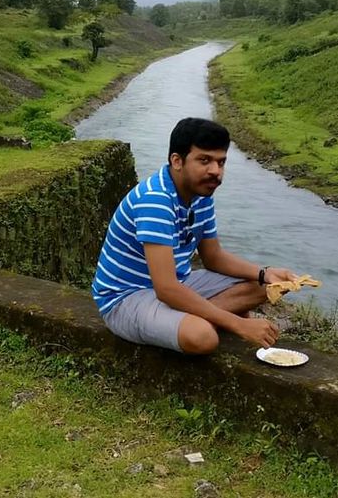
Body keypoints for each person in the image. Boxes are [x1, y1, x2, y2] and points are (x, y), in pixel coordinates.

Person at [91, 117, 300, 354]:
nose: (215, 171)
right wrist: (239, 324)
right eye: (204, 160)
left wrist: (265, 272)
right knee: (202, 337)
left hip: (179, 284)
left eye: (221, 163)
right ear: (177, 161)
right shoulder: (155, 200)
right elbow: (166, 289)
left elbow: (213, 257)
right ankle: (202, 319)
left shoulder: (201, 194)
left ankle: (196, 315)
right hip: (127, 299)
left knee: (265, 286)